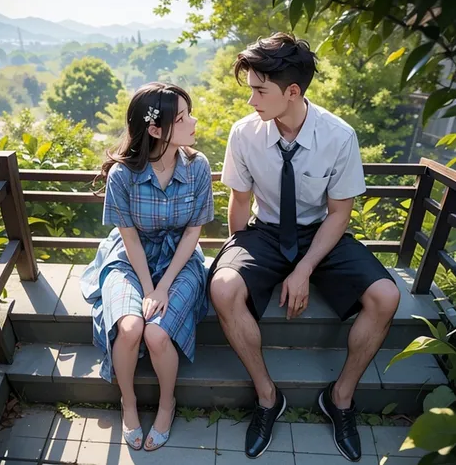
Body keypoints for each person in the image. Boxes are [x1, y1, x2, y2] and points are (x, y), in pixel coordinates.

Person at [208, 33, 401, 462]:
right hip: (265, 232)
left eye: (260, 90)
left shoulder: (339, 136)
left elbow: (339, 214)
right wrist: (235, 261)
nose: (251, 100)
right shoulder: (245, 133)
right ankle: (267, 397)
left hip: (321, 232)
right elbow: (239, 203)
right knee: (222, 287)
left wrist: (304, 269)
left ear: (292, 91)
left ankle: (341, 398)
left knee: (387, 296)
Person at [80, 82, 214, 451]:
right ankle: (129, 402)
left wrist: (163, 286)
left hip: (180, 260)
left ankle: (167, 404)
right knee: (130, 326)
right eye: (183, 118)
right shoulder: (123, 175)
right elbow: (130, 239)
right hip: (129, 258)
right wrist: (146, 286)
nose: (193, 122)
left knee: (156, 334)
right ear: (156, 129)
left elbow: (192, 233)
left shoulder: (197, 166)